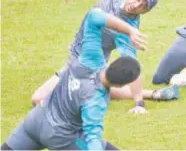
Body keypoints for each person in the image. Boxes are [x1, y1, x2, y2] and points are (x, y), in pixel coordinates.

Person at [31, 0, 179, 114]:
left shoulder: (128, 32)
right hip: (83, 59)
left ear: (145, 12)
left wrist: (139, 104)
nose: (136, 5)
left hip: (85, 64)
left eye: (143, 6)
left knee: (38, 98)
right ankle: (154, 93)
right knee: (98, 85)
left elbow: (132, 66)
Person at [1, 8, 148, 150]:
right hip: (61, 137)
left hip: (34, 122)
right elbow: (93, 138)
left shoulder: (89, 57)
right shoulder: (96, 99)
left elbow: (94, 16)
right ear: (121, 85)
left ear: (112, 64)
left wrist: (129, 30)